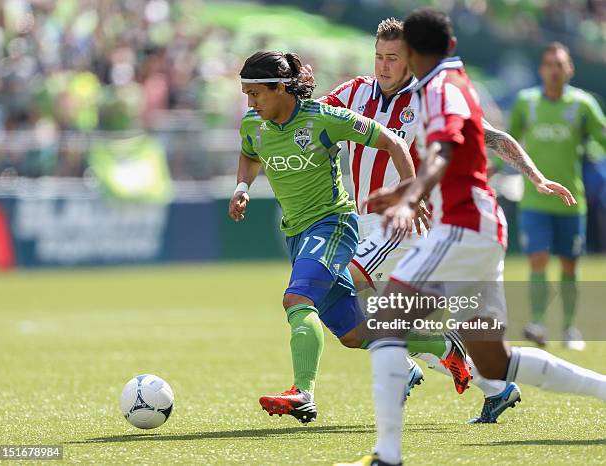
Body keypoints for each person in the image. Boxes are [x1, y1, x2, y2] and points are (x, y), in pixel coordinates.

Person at [337, 8, 606, 466]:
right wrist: (536, 177)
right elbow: (485, 142)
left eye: (401, 55)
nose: (390, 64)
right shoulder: (456, 83)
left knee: (384, 328)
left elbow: (441, 157)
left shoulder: (438, 90)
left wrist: (409, 194)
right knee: (494, 362)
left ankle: (387, 456)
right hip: (482, 227)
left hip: (459, 225)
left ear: (415, 55)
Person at [230, 50, 416, 424]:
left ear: (281, 88)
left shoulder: (324, 119)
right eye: (246, 94)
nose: (250, 102)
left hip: (333, 224)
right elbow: (250, 155)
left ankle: (302, 393)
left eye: (256, 94)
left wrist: (410, 195)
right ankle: (444, 344)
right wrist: (241, 186)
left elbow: (394, 143)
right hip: (296, 234)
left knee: (296, 298)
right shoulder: (253, 124)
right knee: (354, 333)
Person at [508, 42, 606, 350]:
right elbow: (508, 143)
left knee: (569, 265)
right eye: (549, 64)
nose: (554, 70)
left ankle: (568, 328)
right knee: (537, 259)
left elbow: (602, 136)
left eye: (559, 64)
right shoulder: (526, 102)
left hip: (571, 200)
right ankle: (537, 322)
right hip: (534, 199)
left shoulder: (583, 104)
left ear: (570, 70)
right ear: (541, 69)